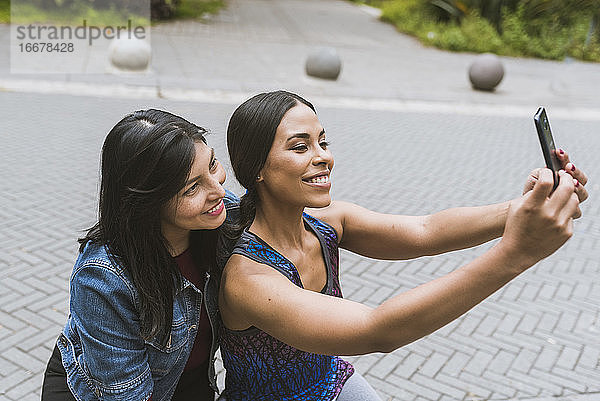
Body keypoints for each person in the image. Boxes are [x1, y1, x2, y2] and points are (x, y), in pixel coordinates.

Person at [218, 90, 589, 401]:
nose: (323, 157)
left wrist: (525, 207)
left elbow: (426, 230)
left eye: (323, 142)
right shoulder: (248, 278)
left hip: (331, 381)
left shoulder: (327, 223)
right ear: (257, 169)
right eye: (301, 147)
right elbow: (377, 329)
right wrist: (516, 254)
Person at [41, 109, 239, 401]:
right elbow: (127, 395)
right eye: (192, 188)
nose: (218, 190)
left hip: (186, 381)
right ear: (148, 202)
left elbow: (298, 218)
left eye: (212, 165)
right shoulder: (102, 279)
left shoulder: (218, 215)